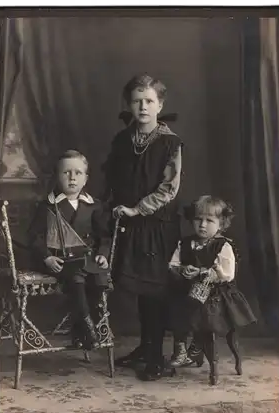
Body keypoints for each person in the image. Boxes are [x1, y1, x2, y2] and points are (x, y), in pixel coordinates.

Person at [102, 74, 183, 381]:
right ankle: (146, 347)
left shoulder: (170, 143)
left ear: (160, 105)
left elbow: (168, 189)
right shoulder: (123, 140)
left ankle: (158, 358)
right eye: (137, 101)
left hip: (157, 225)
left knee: (156, 290)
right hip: (129, 224)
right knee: (139, 288)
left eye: (149, 101)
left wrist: (137, 209)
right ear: (129, 105)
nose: (143, 106)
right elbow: (113, 178)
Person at [168, 195, 257, 385]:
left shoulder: (223, 246)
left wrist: (206, 271)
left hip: (217, 293)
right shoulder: (185, 243)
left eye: (209, 220)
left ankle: (196, 345)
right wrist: (183, 269)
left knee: (202, 310)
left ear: (221, 223)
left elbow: (227, 275)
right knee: (175, 304)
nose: (202, 225)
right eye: (198, 219)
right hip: (190, 289)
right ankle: (181, 347)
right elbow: (173, 264)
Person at [28, 149, 111, 350]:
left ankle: (82, 329)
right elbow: (34, 236)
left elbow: (104, 236)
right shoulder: (48, 205)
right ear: (57, 176)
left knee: (95, 278)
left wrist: (102, 254)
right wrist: (46, 257)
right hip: (59, 260)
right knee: (76, 277)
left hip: (86, 259)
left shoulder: (93, 206)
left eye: (78, 173)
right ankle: (88, 329)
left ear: (85, 178)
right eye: (66, 173)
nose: (72, 178)